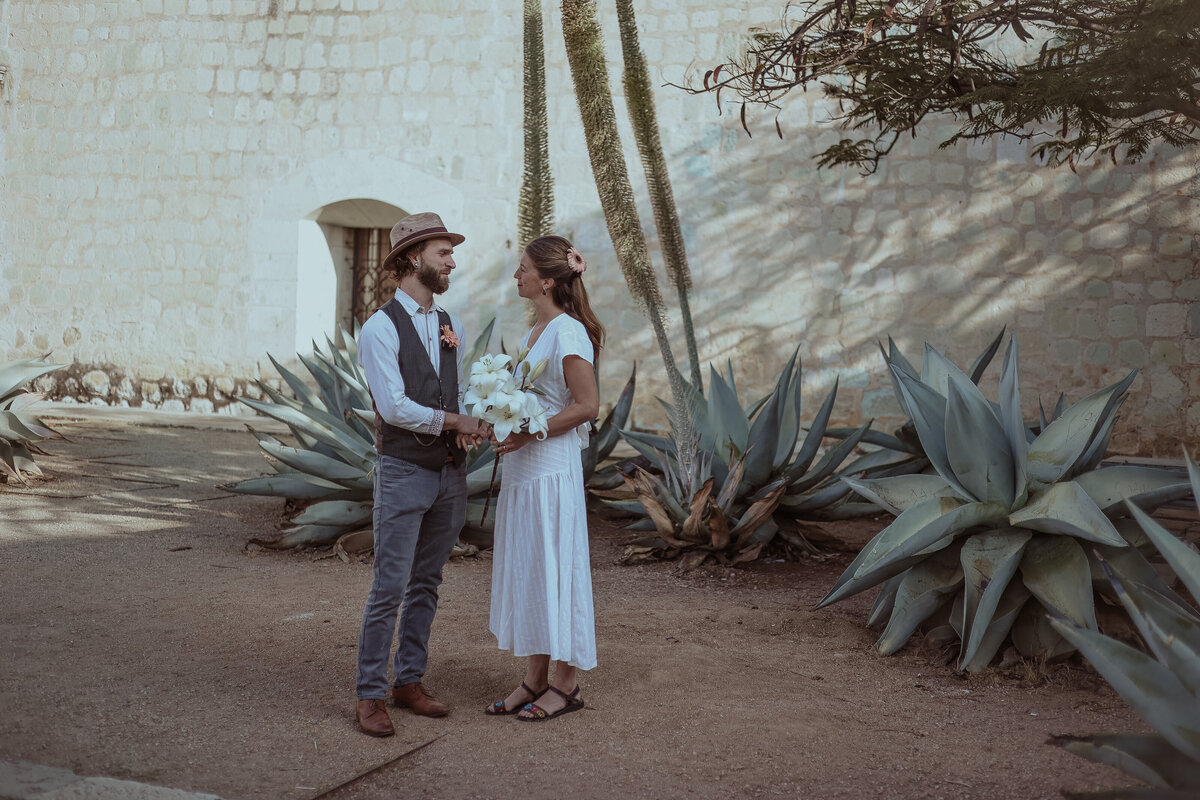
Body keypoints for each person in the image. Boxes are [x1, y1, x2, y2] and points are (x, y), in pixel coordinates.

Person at [353, 212, 483, 737]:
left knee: (427, 582)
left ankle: (409, 681)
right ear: (412, 258)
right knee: (390, 586)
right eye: (442, 252)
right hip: (405, 470)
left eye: (451, 251)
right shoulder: (380, 327)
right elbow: (394, 406)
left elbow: (449, 389)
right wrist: (453, 420)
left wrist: (470, 422)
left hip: (449, 474)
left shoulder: (449, 321)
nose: (452, 260)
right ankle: (369, 695)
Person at [484, 235, 603, 722]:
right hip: (525, 472)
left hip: (551, 472)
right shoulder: (539, 330)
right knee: (534, 570)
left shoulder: (569, 333)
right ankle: (534, 680)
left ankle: (566, 685)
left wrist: (528, 431)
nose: (516, 276)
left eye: (523, 269)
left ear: (547, 280)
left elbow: (587, 406)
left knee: (560, 568)